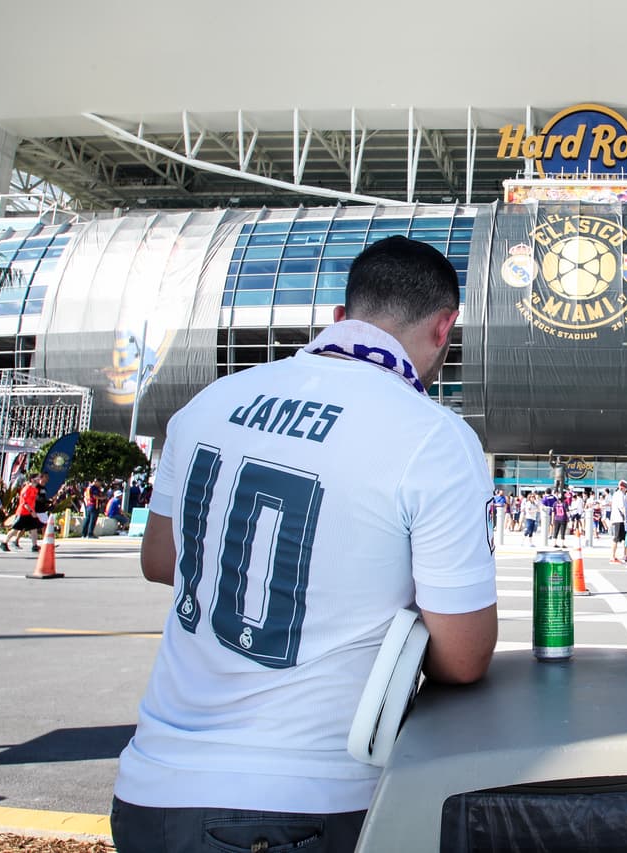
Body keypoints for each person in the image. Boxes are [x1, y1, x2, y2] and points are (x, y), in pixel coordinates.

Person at [111, 236, 499, 853]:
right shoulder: (433, 436)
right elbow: (465, 655)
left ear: (340, 318)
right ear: (445, 326)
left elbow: (160, 560)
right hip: (303, 797)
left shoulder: (211, 401)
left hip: (152, 784)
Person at [1, 472, 48, 552]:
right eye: (38, 477)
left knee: (33, 528)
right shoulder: (26, 489)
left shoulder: (35, 489)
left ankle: (34, 545)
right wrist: (31, 511)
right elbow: (24, 502)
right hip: (23, 513)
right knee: (15, 529)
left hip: (31, 512)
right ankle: (4, 542)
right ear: (32, 479)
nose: (40, 479)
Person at [609, 481, 627, 563]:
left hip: (619, 519)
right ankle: (612, 556)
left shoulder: (620, 494)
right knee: (616, 538)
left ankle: (624, 555)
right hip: (619, 519)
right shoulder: (619, 494)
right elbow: (622, 507)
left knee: (624, 538)